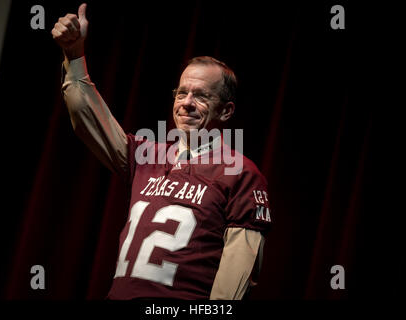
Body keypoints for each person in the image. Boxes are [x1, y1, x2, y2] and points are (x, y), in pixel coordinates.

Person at [52, 3, 272, 300]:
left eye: (202, 96)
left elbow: (238, 272)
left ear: (226, 110)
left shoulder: (241, 173)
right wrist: (75, 54)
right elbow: (88, 118)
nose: (187, 103)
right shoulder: (145, 154)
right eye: (182, 93)